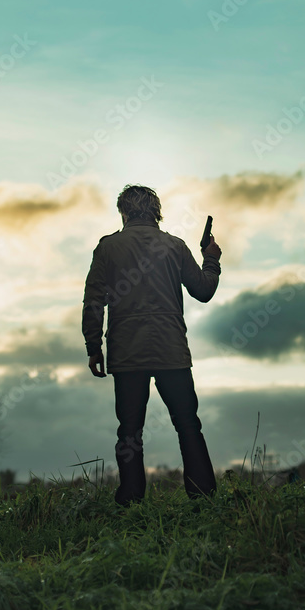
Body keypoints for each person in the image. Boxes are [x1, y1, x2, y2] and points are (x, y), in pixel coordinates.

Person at [82, 184, 222, 506]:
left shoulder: (107, 248)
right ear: (155, 211)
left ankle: (130, 502)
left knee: (129, 431)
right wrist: (210, 259)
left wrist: (93, 346)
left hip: (126, 352)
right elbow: (203, 290)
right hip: (171, 350)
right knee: (188, 425)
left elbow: (94, 302)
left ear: (125, 212)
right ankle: (203, 498)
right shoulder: (175, 246)